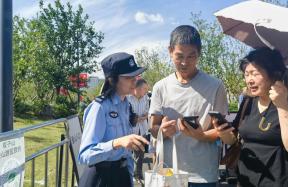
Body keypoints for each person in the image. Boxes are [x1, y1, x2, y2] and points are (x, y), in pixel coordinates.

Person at [214, 47, 288, 186]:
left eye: (255, 74)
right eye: (246, 74)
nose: (249, 80)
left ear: (274, 74)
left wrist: (283, 105)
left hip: (282, 181)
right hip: (247, 180)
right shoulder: (248, 102)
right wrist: (223, 133)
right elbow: (233, 140)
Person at [149, 25, 228, 187]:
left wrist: (201, 135)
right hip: (169, 171)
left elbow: (222, 130)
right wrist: (162, 131)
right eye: (179, 56)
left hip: (204, 174)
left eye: (191, 56)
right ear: (170, 51)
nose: (185, 62)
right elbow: (153, 127)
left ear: (199, 54)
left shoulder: (215, 86)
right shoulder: (160, 87)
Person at [78, 52, 149, 187]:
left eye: (135, 76)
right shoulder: (99, 108)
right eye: (129, 77)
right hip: (101, 178)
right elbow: (85, 155)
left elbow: (126, 155)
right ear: (113, 80)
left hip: (121, 175)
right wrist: (116, 143)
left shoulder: (126, 105)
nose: (135, 80)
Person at [127, 78, 150, 183]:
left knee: (140, 154)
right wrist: (138, 118)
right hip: (129, 131)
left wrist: (139, 118)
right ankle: (128, 175)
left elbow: (147, 112)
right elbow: (128, 116)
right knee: (127, 154)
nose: (146, 91)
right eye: (145, 88)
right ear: (138, 88)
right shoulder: (128, 98)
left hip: (142, 130)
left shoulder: (145, 98)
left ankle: (138, 175)